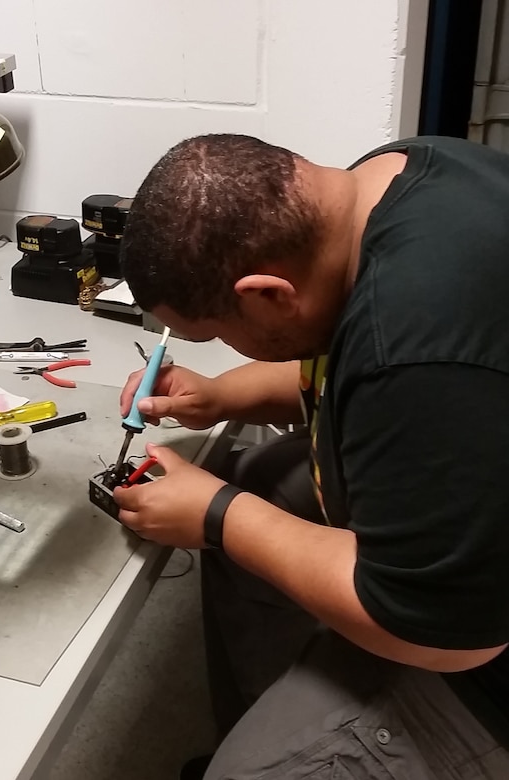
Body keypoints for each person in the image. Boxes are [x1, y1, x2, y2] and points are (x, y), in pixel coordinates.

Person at [113, 133, 509, 780]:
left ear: (269, 293)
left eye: (217, 334)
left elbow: (444, 633)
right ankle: (283, 710)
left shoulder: (421, 353)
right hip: (462, 474)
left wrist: (218, 516)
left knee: (242, 774)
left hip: (475, 654)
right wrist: (217, 398)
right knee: (255, 478)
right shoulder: (378, 183)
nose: (222, 347)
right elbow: (346, 366)